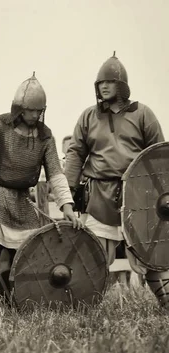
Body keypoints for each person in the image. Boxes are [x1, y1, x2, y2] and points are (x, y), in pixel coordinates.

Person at [0, 73, 82, 306]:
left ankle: (20, 303)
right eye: (31, 110)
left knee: (21, 259)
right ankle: (8, 305)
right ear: (19, 108)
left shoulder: (45, 136)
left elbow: (56, 174)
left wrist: (67, 206)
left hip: (21, 201)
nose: (35, 115)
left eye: (39, 111)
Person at [64, 53, 166, 307]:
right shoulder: (89, 116)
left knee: (148, 249)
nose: (104, 86)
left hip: (138, 194)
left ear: (122, 85)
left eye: (109, 82)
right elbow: (76, 152)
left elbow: (159, 154)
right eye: (100, 83)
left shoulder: (143, 114)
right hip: (101, 193)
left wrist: (160, 193)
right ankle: (85, 303)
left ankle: (166, 301)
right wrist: (69, 188)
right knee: (96, 254)